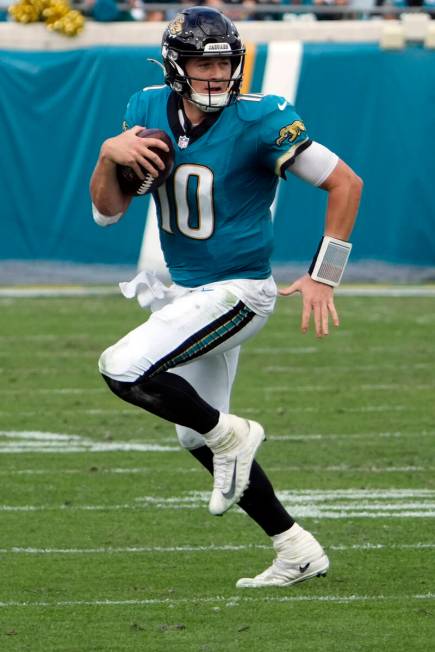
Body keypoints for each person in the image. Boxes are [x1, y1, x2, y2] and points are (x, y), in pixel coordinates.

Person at [90, 5, 363, 588]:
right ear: (175, 66)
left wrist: (324, 274)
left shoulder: (262, 119)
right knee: (194, 432)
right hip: (191, 293)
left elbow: (346, 182)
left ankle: (233, 433)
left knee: (122, 369)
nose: (215, 75)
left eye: (223, 63)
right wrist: (109, 153)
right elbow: (108, 212)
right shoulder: (145, 109)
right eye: (201, 63)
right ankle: (295, 547)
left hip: (241, 291)